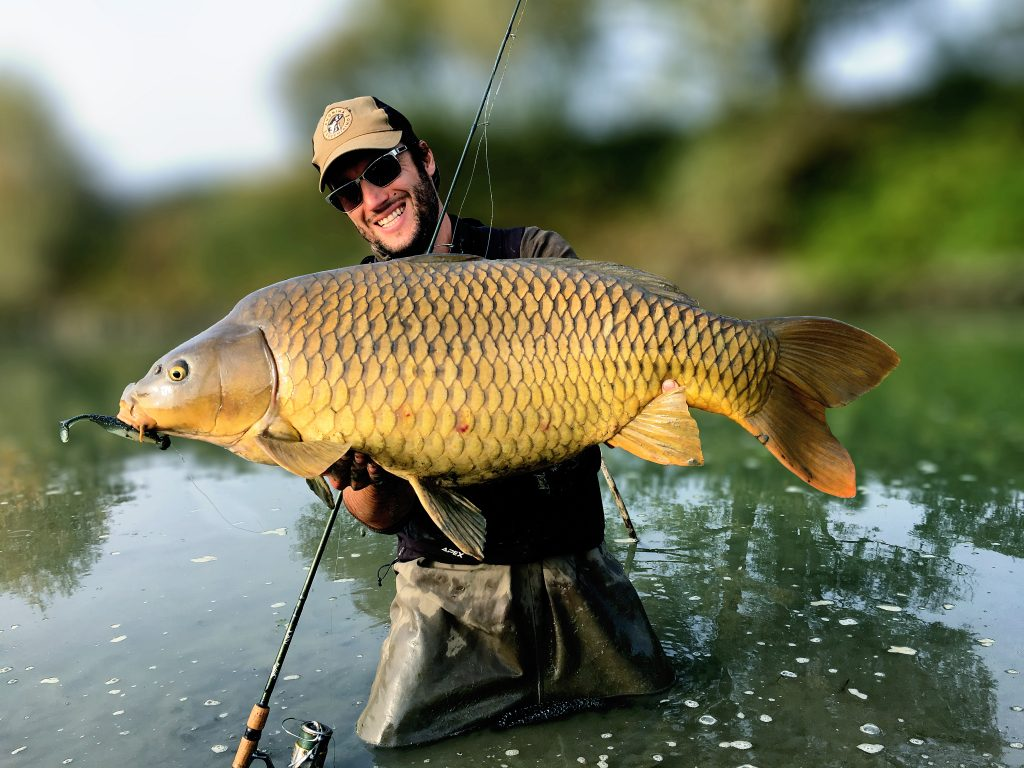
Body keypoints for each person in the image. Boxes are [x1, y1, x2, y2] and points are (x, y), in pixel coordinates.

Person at [310, 96, 673, 747]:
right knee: (390, 746)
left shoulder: (531, 256)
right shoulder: (341, 323)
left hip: (573, 569)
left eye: (384, 169)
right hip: (446, 592)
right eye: (347, 189)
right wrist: (351, 469)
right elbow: (382, 516)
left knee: (656, 722)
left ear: (423, 159)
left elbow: (612, 389)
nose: (372, 196)